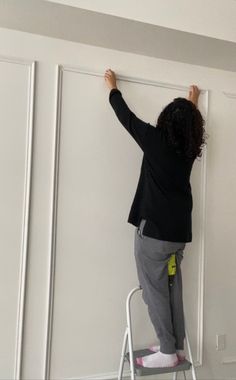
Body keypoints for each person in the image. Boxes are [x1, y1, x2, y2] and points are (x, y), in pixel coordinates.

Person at [104, 69, 207, 368]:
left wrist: (113, 88)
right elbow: (187, 123)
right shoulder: (187, 149)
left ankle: (166, 350)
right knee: (173, 289)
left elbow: (126, 117)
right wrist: (193, 100)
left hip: (154, 237)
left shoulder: (154, 139)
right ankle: (177, 347)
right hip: (177, 236)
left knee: (155, 291)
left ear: (166, 121)